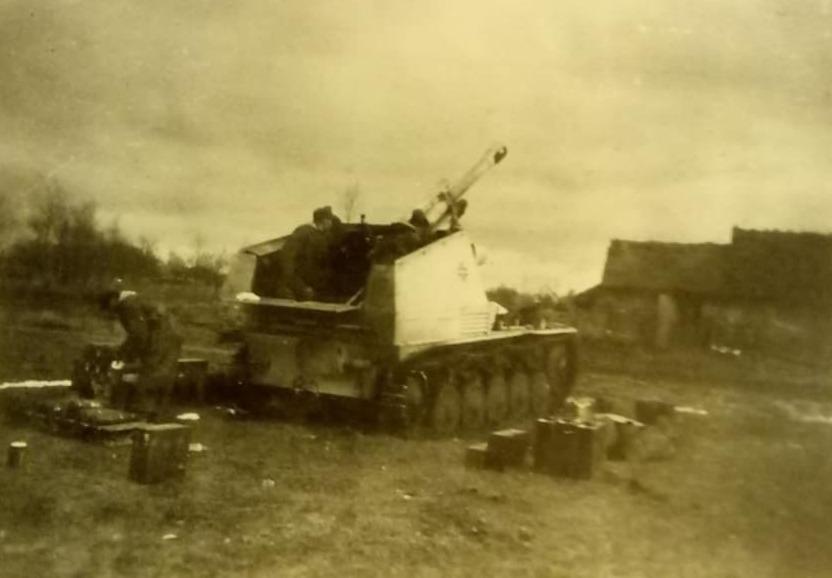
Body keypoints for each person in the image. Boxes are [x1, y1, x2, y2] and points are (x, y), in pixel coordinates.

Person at [98, 288, 183, 421]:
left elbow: (139, 334)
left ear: (113, 300)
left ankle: (142, 413)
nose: (111, 312)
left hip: (160, 338)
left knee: (150, 371)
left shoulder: (128, 305)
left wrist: (125, 354)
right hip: (172, 335)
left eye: (109, 307)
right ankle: (159, 413)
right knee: (165, 372)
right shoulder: (138, 299)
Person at [277, 206, 338, 301]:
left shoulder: (323, 235)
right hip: (300, 282)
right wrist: (296, 283)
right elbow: (287, 256)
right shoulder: (303, 232)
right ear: (323, 221)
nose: (331, 223)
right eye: (330, 220)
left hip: (314, 282)